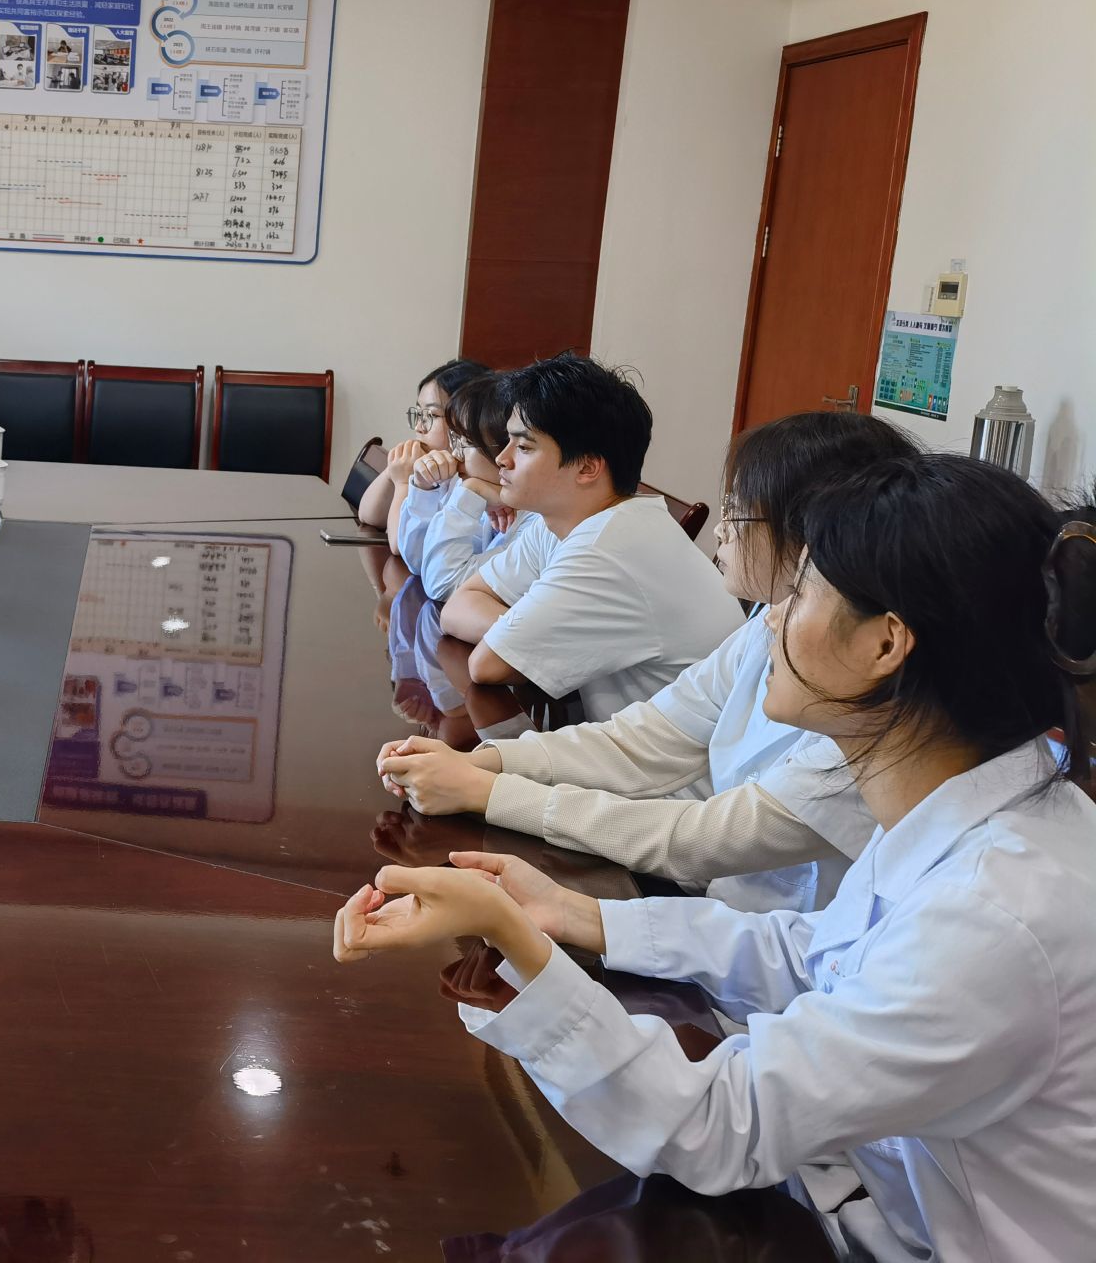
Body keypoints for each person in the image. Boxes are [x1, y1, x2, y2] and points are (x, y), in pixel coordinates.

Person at [334, 457, 1096, 1263]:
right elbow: (819, 954)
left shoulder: (997, 912)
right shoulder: (978, 807)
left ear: (885, 643)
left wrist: (517, 946)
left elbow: (721, 1125)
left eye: (801, 593)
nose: (770, 619)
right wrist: (583, 916)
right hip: (874, 1193)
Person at [383, 411, 918, 912]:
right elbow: (646, 736)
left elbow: (702, 841)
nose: (722, 529)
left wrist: (485, 790)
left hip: (735, 911)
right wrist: (485, 763)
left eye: (737, 510)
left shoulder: (878, 710)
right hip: (711, 904)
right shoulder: (768, 622)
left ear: (816, 535)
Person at [438, 355, 743, 721]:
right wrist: (527, 633)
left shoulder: (609, 550)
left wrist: (525, 637)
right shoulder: (561, 521)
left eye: (524, 447)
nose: (502, 459)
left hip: (677, 756)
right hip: (613, 739)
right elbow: (458, 604)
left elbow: (486, 665)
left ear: (586, 467)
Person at [415, 370, 532, 603]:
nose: (455, 454)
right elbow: (418, 560)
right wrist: (420, 485)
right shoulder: (495, 505)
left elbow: (442, 584)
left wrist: (471, 491)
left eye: (465, 442)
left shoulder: (534, 522)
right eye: (454, 440)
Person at [356, 357, 487, 556]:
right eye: (418, 414)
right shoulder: (429, 466)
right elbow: (368, 515)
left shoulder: (470, 481)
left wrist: (403, 484)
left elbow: (400, 546)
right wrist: (392, 472)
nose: (418, 427)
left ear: (466, 420)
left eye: (431, 415)